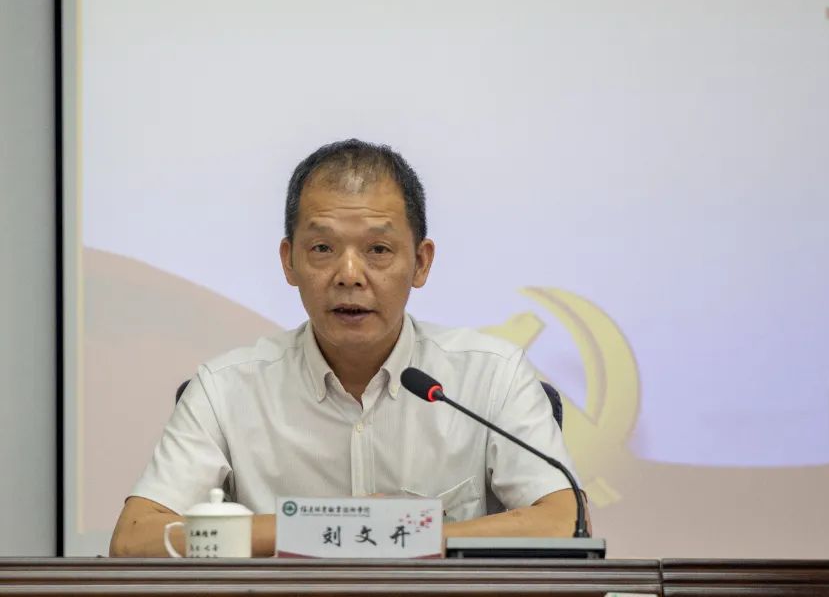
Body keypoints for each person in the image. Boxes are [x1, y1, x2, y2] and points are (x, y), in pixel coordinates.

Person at [109, 139, 585, 557]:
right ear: (289, 261)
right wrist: (325, 528)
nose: (349, 275)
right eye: (323, 248)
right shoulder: (226, 390)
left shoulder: (491, 376)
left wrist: (403, 533)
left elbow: (563, 521)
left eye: (378, 250)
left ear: (421, 263)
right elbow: (135, 538)